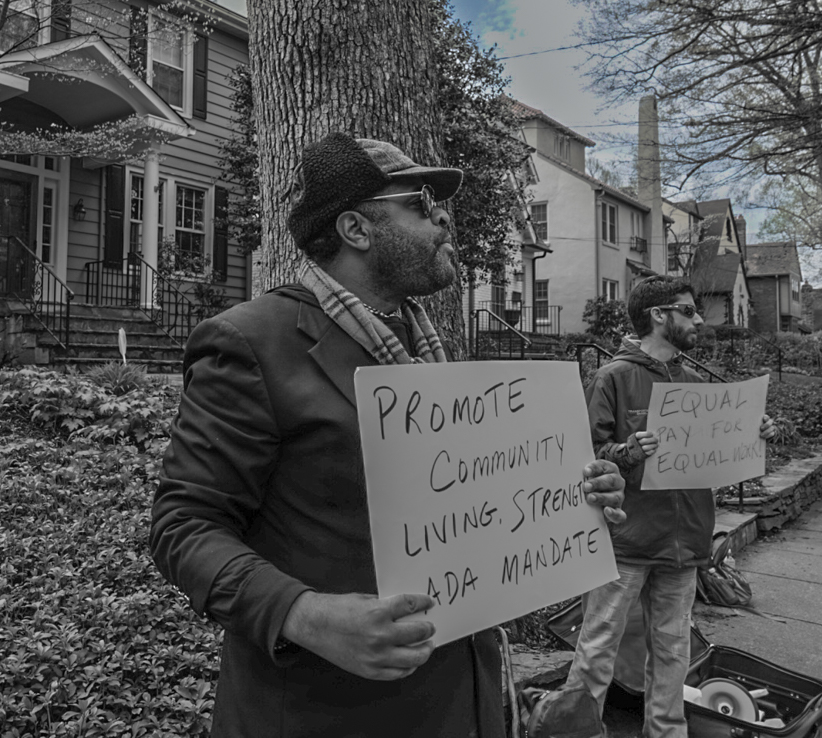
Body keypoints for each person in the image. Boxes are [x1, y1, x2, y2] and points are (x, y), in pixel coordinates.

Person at [150, 131, 627, 738]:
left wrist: (571, 495)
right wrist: (303, 613)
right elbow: (182, 526)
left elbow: (470, 508)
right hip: (322, 712)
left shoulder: (421, 348)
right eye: (422, 202)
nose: (445, 217)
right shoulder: (252, 342)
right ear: (356, 229)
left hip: (459, 699)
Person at [562, 275, 776, 738]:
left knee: (673, 649)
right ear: (659, 316)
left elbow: (717, 455)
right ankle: (576, 732)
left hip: (684, 542)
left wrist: (752, 436)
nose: (698, 318)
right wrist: (628, 452)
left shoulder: (694, 382)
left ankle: (666, 733)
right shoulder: (612, 377)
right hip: (626, 540)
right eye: (688, 310)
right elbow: (582, 458)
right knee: (598, 646)